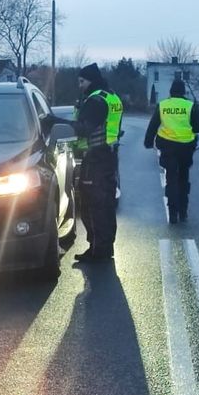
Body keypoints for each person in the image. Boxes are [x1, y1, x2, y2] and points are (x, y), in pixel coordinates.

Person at [62, 63, 123, 261]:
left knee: (92, 204)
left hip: (95, 158)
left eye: (82, 81)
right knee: (106, 204)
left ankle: (97, 249)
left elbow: (83, 128)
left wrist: (54, 121)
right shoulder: (112, 97)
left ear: (91, 80)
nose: (80, 85)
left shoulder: (95, 101)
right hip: (109, 156)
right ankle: (105, 247)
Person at [145, 79, 199, 224]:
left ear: (171, 91)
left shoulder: (163, 105)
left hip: (167, 147)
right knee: (183, 179)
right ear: (184, 91)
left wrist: (148, 142)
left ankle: (172, 214)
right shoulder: (190, 106)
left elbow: (153, 125)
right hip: (186, 148)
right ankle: (183, 212)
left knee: (171, 178)